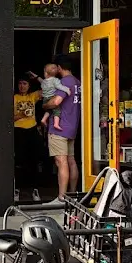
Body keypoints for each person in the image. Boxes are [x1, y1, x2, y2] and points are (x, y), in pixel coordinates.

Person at [43, 53, 81, 200]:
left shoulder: (64, 82)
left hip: (60, 128)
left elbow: (56, 101)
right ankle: (72, 194)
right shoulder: (77, 82)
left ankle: (61, 197)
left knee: (61, 161)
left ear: (59, 67)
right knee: (71, 160)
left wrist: (45, 104)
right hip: (72, 126)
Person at [12, 74, 43, 203]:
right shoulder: (14, 98)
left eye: (25, 83)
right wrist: (21, 114)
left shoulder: (33, 96)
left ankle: (35, 189)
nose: (22, 86)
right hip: (18, 130)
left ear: (29, 85)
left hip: (32, 130)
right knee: (19, 161)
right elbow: (8, 117)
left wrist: (36, 77)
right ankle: (17, 189)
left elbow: (48, 88)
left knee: (34, 161)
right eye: (20, 83)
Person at [38, 62, 70, 132]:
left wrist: (36, 77)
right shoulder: (55, 80)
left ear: (46, 73)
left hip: (45, 99)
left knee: (49, 110)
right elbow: (59, 86)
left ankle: (43, 119)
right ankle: (56, 123)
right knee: (57, 110)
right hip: (51, 97)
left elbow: (40, 80)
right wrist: (67, 90)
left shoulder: (44, 82)